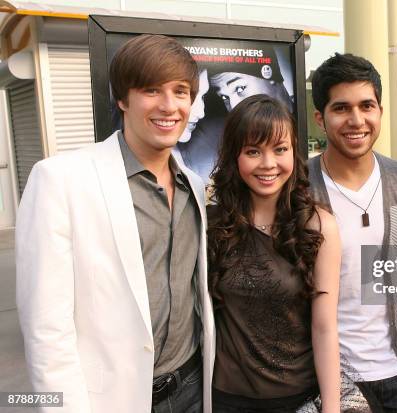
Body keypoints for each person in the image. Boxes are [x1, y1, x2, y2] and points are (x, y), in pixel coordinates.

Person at [16, 34, 215, 413]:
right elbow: (46, 331)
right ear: (122, 98)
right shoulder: (61, 180)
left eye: (181, 91)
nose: (170, 105)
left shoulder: (193, 183)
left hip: (192, 387)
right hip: (111, 400)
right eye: (152, 90)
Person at [206, 95, 342, 412]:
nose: (268, 164)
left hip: (297, 399)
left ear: (294, 152)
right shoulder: (211, 223)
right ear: (234, 156)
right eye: (253, 151)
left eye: (280, 149)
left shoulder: (319, 227)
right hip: (227, 399)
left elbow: (324, 327)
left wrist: (332, 407)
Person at [309, 53, 397, 412]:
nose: (356, 120)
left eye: (367, 106)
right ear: (320, 118)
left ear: (380, 111)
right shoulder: (298, 186)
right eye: (341, 108)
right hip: (331, 377)